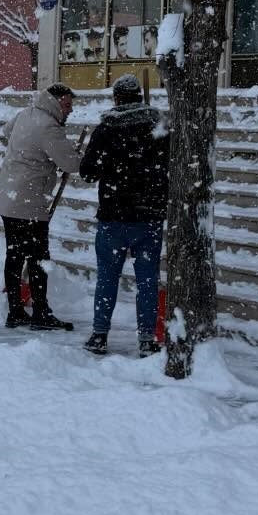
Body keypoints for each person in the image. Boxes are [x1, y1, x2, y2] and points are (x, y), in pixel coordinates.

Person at [79, 74, 171, 357]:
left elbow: (86, 172)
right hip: (149, 217)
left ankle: (99, 334)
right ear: (140, 99)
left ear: (117, 99)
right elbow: (170, 164)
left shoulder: (106, 130)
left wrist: (110, 165)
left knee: (108, 277)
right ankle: (146, 339)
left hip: (113, 216)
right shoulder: (160, 127)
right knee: (147, 281)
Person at [0, 84, 82, 330]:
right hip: (28, 202)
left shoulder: (26, 114)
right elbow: (72, 163)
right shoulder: (48, 126)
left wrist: (30, 154)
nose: (70, 110)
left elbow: (6, 130)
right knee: (38, 257)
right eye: (66, 105)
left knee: (14, 255)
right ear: (54, 103)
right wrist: (73, 156)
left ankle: (16, 311)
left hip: (10, 196)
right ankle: (41, 313)